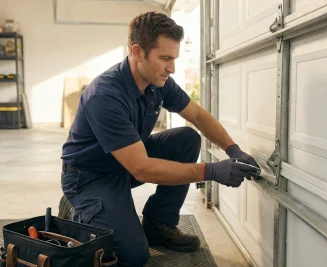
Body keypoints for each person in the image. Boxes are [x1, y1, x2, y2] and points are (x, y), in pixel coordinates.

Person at [59, 11, 260, 267]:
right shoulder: (105, 95)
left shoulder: (158, 81)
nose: (172, 68)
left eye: (174, 58)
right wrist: (210, 171)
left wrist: (233, 149)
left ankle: (158, 224)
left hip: (127, 161)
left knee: (187, 138)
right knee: (131, 256)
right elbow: (141, 168)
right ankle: (76, 211)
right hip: (90, 177)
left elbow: (197, 115)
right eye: (165, 58)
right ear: (137, 52)